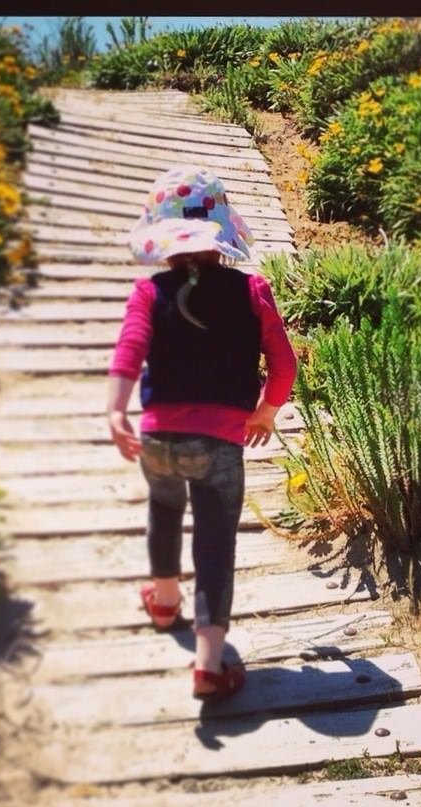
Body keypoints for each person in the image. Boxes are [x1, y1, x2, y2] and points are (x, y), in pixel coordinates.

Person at [105, 165, 297, 700]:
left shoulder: (150, 293)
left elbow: (129, 351)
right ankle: (209, 666)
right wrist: (265, 412)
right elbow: (283, 364)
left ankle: (164, 600)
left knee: (163, 511)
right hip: (221, 441)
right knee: (214, 540)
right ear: (222, 236)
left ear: (163, 242)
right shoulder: (252, 289)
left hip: (160, 437)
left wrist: (116, 412)